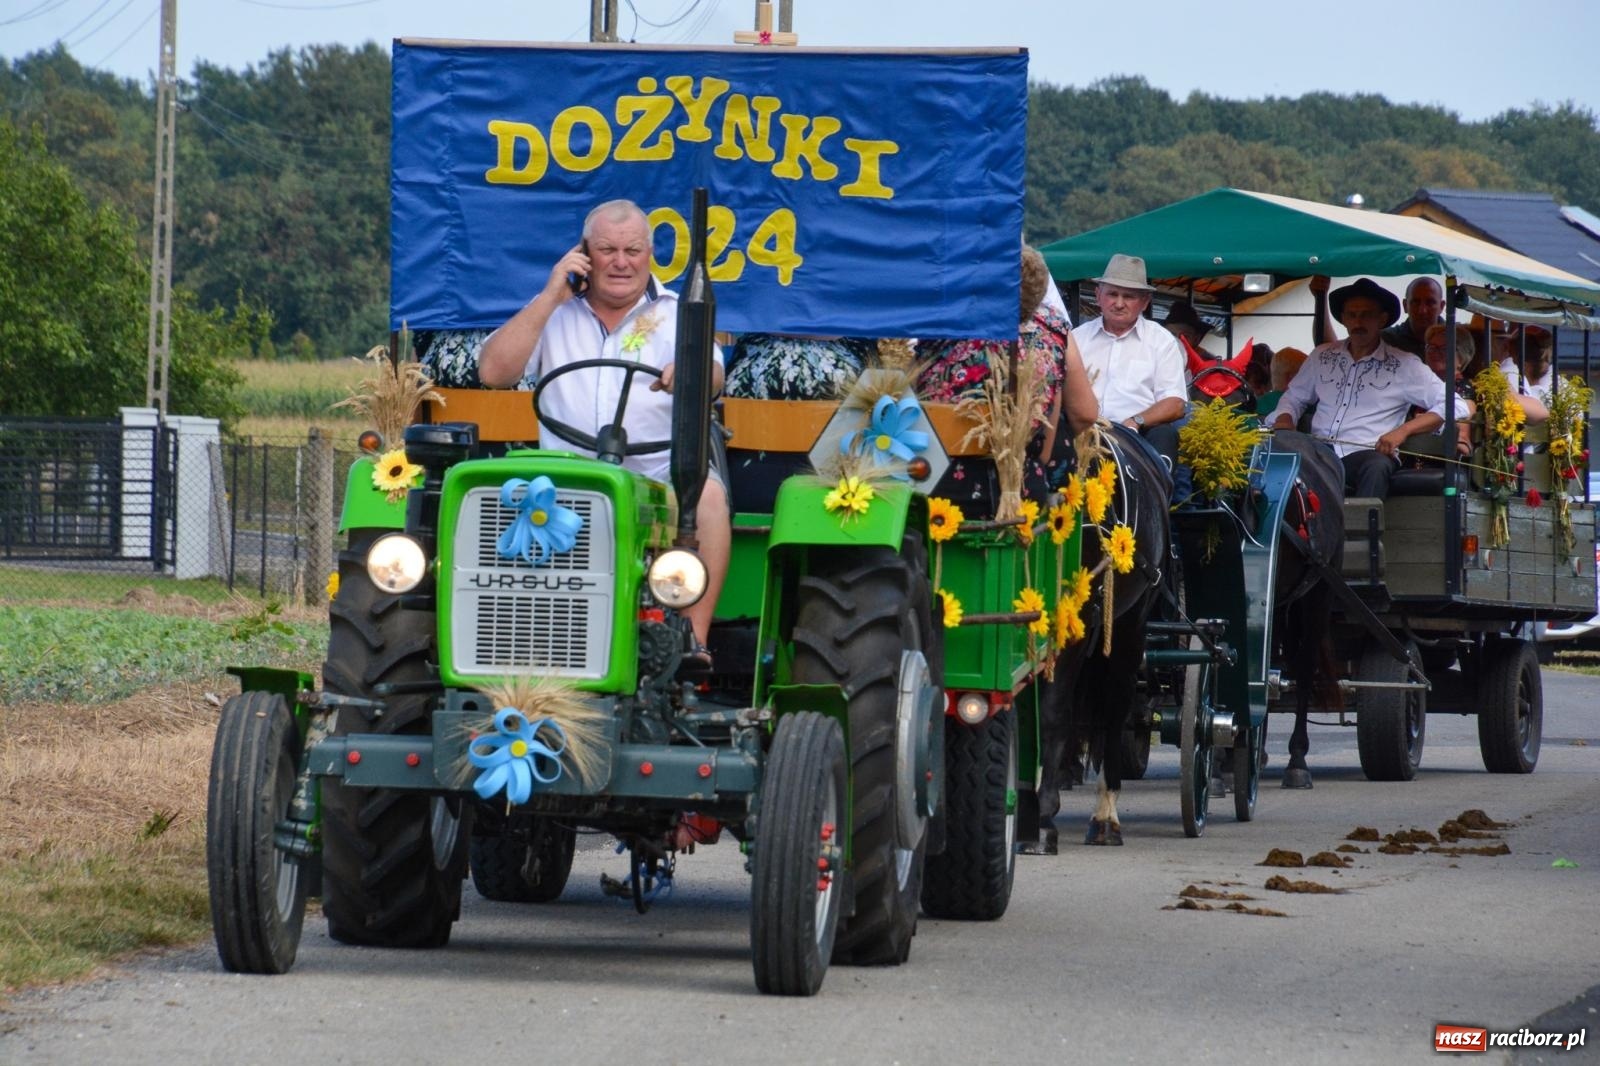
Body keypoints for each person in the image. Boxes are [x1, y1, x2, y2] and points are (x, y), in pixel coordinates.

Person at [478, 199, 729, 669]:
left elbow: (713, 374)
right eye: (607, 249)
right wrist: (553, 293)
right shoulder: (551, 311)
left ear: (650, 253)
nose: (620, 261)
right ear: (584, 254)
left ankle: (692, 642)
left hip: (655, 478)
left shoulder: (678, 314)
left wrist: (689, 371)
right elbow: (493, 371)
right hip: (564, 482)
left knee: (710, 498)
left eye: (632, 250)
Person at [918, 245, 1097, 507]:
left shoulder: (938, 327)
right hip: (1020, 490)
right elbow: (1051, 445)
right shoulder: (1053, 332)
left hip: (935, 484)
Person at [1269, 277, 1455, 498]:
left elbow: (1454, 404)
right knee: (1277, 461)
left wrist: (1403, 431)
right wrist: (1284, 417)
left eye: (1366, 315)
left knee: (1377, 465)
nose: (1358, 322)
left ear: (1382, 319)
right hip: (1317, 455)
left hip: (1364, 455)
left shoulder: (1404, 364)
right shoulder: (1322, 356)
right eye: (1352, 315)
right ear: (1344, 319)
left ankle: (1364, 531)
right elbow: (1294, 397)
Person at [1071, 254, 1188, 493]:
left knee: (1165, 436)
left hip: (1138, 437)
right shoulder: (1077, 338)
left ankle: (1155, 514)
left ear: (1144, 302)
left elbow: (1175, 403)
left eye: (1129, 296)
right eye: (1112, 294)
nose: (1119, 303)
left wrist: (1135, 422)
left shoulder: (1161, 341)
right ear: (1098, 296)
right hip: (1082, 432)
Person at [1382, 277, 1444, 356]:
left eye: (1430, 303)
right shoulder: (1386, 340)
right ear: (1405, 306)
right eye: (1415, 303)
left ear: (1441, 306)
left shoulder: (1457, 338)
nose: (1422, 310)